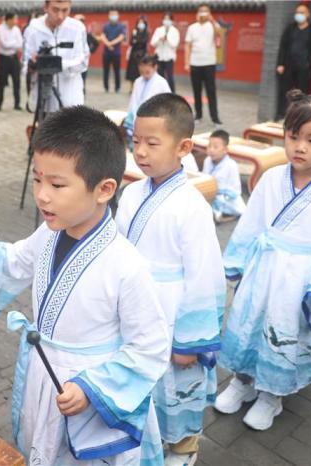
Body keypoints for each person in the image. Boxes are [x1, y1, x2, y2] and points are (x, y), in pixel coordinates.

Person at [0, 105, 169, 466]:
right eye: (37, 179)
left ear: (104, 189)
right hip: (43, 372)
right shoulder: (48, 234)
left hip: (90, 389)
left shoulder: (127, 266)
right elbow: (13, 262)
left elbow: (151, 346)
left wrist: (91, 388)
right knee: (43, 444)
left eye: (57, 184)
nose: (42, 195)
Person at [215, 90, 311, 431]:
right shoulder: (273, 178)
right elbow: (251, 223)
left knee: (284, 331)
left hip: (301, 276)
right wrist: (236, 264)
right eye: (293, 137)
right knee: (249, 324)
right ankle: (243, 380)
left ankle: (271, 395)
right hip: (264, 266)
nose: (300, 147)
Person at [116, 93, 225, 466]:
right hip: (137, 305)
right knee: (146, 382)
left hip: (173, 310)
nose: (141, 152)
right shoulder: (130, 193)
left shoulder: (192, 206)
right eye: (136, 142)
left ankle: (184, 445)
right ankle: (150, 439)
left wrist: (191, 341)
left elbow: (205, 276)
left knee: (177, 383)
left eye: (152, 143)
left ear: (183, 147)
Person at [22, 0, 89, 112]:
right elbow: (24, 65)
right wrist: (32, 65)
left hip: (71, 100)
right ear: (45, 7)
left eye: (65, 10)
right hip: (43, 101)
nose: (60, 16)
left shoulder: (77, 28)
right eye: (55, 10)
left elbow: (83, 63)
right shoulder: (33, 29)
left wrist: (56, 64)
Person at [276, 4, 311, 119]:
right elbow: (283, 46)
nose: (299, 15)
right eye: (297, 12)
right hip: (288, 65)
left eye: (302, 13)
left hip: (303, 66)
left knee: (301, 92)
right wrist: (280, 63)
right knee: (284, 90)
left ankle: (298, 116)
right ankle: (281, 114)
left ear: (308, 14)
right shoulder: (290, 28)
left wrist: (309, 63)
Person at [185, 4, 222, 125]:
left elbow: (219, 33)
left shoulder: (212, 26)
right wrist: (187, 62)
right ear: (197, 13)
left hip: (209, 63)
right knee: (197, 91)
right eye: (201, 11)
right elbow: (187, 45)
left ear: (209, 13)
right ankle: (198, 115)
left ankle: (215, 117)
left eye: (206, 11)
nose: (203, 13)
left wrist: (212, 20)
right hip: (195, 63)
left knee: (211, 91)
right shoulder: (192, 27)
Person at [202, 129, 246, 222]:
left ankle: (224, 215)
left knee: (236, 206)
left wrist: (219, 192)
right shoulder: (207, 160)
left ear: (225, 150)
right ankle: (217, 214)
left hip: (227, 196)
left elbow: (235, 190)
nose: (211, 150)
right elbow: (204, 178)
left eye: (215, 147)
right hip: (211, 192)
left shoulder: (231, 165)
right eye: (209, 146)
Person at [123, 55, 170, 140]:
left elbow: (168, 104)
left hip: (154, 119)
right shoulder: (138, 81)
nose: (144, 74)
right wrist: (131, 115)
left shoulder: (162, 83)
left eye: (147, 71)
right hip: (137, 117)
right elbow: (133, 101)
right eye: (142, 72)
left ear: (155, 67)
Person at [0, 12, 22, 111]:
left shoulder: (17, 29)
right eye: (15, 19)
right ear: (9, 20)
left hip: (14, 58)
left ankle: (17, 103)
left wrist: (13, 44)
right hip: (3, 58)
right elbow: (4, 44)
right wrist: (15, 44)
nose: (17, 21)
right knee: (1, 82)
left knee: (17, 81)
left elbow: (21, 44)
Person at [151, 13, 179, 93]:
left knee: (170, 77)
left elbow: (175, 44)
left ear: (172, 21)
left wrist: (167, 39)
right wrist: (160, 39)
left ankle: (172, 93)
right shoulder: (159, 30)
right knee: (160, 76)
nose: (166, 21)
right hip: (159, 56)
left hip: (169, 57)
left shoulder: (175, 31)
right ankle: (160, 93)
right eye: (165, 19)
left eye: (168, 19)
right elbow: (152, 43)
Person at [99, 10, 125, 93]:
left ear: (118, 16)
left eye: (115, 15)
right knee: (106, 71)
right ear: (109, 16)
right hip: (106, 53)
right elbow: (102, 36)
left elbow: (121, 37)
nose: (113, 16)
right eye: (112, 15)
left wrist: (111, 43)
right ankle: (106, 87)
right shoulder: (106, 26)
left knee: (116, 71)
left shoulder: (120, 26)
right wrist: (108, 44)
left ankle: (117, 87)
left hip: (116, 53)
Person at [74, 14, 98, 93]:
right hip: (72, 62)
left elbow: (96, 43)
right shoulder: (70, 34)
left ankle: (81, 97)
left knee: (82, 81)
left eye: (81, 21)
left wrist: (90, 51)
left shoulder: (86, 34)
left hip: (82, 62)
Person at [125, 17, 148, 90]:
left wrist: (137, 40)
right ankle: (131, 87)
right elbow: (131, 42)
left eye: (142, 23)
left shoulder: (146, 33)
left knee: (140, 70)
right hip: (133, 53)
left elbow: (143, 42)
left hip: (141, 54)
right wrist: (135, 38)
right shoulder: (134, 31)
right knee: (132, 70)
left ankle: (140, 87)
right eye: (139, 23)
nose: (140, 24)